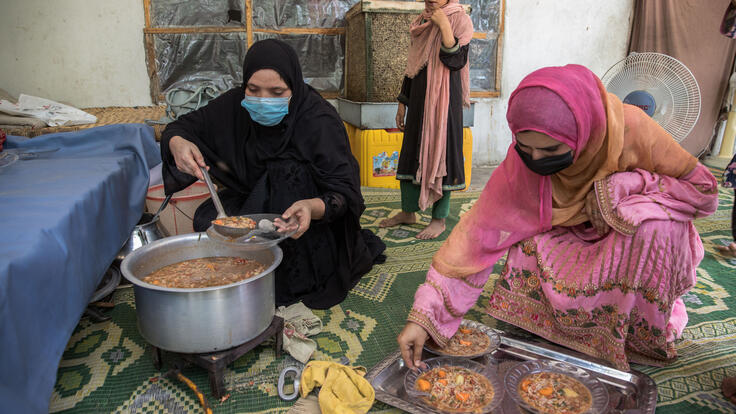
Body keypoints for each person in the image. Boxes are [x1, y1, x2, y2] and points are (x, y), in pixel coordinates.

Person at [397, 64, 719, 371]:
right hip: (566, 236)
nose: (535, 160)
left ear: (584, 131)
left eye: (551, 152)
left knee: (656, 227)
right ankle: (553, 326)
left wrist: (625, 186)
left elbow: (703, 190)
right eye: (525, 148)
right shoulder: (522, 165)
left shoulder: (632, 128)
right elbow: (476, 235)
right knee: (521, 234)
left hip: (621, 240)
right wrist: (423, 314)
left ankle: (632, 330)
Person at [160, 39, 386, 309]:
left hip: (304, 222)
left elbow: (345, 195)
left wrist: (310, 207)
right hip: (256, 200)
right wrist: (178, 143)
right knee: (209, 221)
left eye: (277, 91)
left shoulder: (318, 120)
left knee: (286, 170)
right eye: (253, 89)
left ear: (294, 86)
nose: (263, 100)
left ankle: (293, 272)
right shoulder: (235, 105)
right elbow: (180, 128)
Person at [379, 0, 473, 240]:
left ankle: (438, 219)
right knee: (412, 152)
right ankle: (408, 212)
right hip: (420, 101)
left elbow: (456, 62)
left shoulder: (459, 19)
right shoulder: (421, 21)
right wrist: (402, 102)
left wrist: (444, 27)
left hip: (445, 105)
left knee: (443, 154)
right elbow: (413, 66)